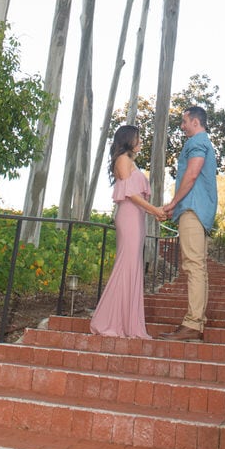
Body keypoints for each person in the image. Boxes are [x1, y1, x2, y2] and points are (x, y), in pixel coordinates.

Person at [90, 124, 165, 338]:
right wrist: (155, 211)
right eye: (138, 138)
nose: (140, 142)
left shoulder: (130, 162)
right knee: (126, 266)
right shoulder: (123, 159)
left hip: (137, 217)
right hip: (129, 216)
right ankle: (109, 321)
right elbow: (131, 195)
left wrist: (153, 212)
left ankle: (127, 322)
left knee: (132, 267)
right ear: (128, 140)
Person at [159, 105, 217, 341]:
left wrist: (173, 202)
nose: (182, 126)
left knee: (193, 266)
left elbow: (192, 174)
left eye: (184, 122)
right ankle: (197, 321)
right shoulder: (204, 142)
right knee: (198, 267)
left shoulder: (196, 143)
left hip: (192, 209)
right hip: (200, 210)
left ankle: (192, 323)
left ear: (195, 122)